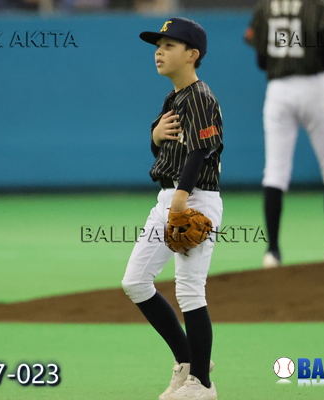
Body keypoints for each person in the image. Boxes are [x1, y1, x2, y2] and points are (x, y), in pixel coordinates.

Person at [121, 18, 223, 400]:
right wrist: (154, 135)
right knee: (135, 281)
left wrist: (181, 197)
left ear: (192, 54)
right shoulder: (175, 97)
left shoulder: (200, 96)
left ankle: (202, 385)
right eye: (158, 45)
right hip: (168, 198)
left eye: (169, 45)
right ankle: (188, 361)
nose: (159, 52)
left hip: (194, 199)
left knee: (190, 290)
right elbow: (167, 148)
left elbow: (201, 149)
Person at [244, 0, 324, 268]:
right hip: (315, 88)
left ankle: (272, 252)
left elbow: (261, 60)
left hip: (278, 90)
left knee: (275, 172)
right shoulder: (321, 6)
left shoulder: (265, 5)